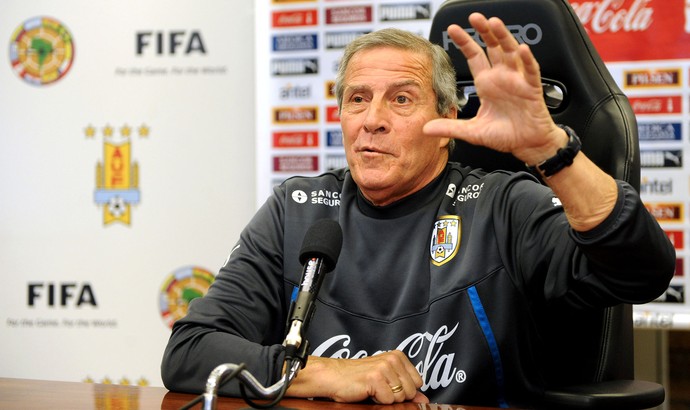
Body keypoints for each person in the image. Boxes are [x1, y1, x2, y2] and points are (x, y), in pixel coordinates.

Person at [161, 13, 675, 408]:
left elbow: (641, 271)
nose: (373, 121)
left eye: (402, 100)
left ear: (447, 119)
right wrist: (320, 373)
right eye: (357, 99)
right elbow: (189, 353)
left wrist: (549, 151)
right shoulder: (298, 210)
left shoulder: (502, 204)